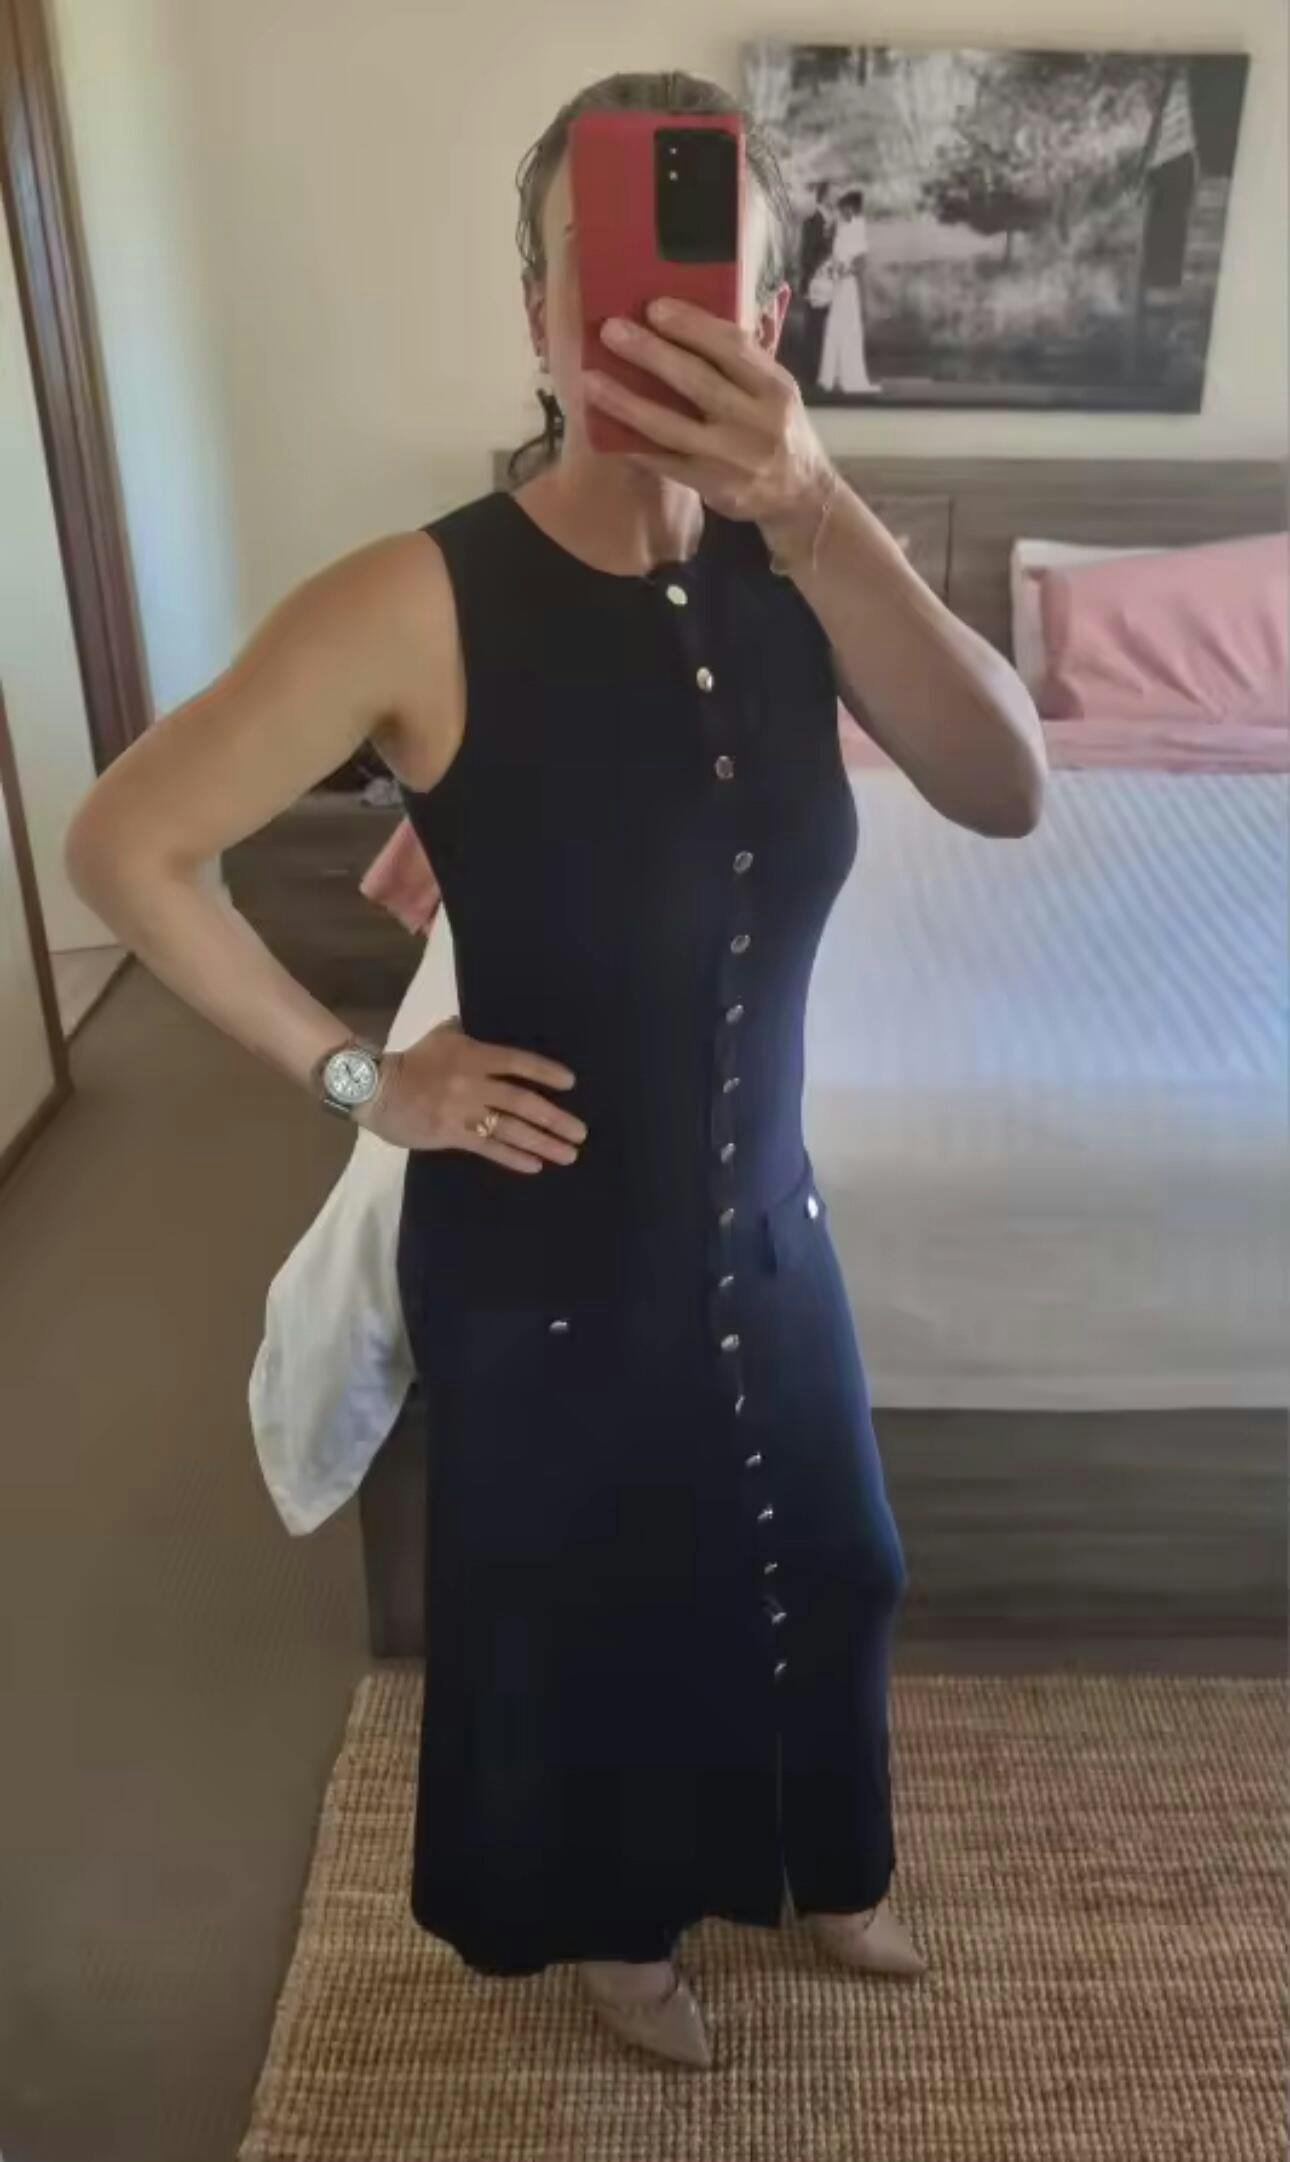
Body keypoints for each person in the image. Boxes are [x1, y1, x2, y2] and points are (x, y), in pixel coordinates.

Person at [65, 70, 1045, 2071]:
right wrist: (364, 1077)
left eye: (710, 285)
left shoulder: (805, 570)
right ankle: (619, 1928)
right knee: (599, 1620)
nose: (658, 318)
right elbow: (126, 845)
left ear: (764, 317)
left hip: (764, 1225)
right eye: (598, 278)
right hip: (544, 1255)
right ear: (536, 315)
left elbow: (1007, 782)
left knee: (834, 1558)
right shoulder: (419, 598)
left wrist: (818, 504)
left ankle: (826, 1860)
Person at [819, 187, 876, 396]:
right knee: (835, 326)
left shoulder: (859, 228)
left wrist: (844, 271)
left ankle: (849, 375)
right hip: (838, 286)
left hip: (848, 286)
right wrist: (832, 269)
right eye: (841, 208)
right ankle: (831, 376)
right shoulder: (842, 228)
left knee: (848, 328)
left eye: (844, 208)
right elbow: (835, 256)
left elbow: (861, 263)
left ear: (852, 208)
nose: (841, 212)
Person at [797, 178, 837, 386]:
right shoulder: (812, 222)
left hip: (831, 281)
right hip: (816, 282)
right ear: (824, 196)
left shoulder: (833, 222)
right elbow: (807, 256)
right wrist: (811, 278)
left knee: (826, 328)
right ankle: (811, 373)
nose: (836, 197)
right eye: (833, 194)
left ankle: (823, 371)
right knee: (814, 328)